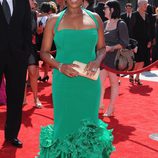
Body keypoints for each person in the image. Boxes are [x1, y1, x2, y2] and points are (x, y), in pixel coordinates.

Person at [37, 0, 114, 157]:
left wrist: (97, 61)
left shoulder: (95, 18)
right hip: (64, 84)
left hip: (89, 84)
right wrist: (60, 65)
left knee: (89, 128)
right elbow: (44, 52)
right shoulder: (53, 20)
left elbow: (101, 48)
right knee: (64, 126)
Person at [0, 0, 32, 147]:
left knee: (16, 97)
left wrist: (25, 51)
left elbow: (27, 26)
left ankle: (12, 134)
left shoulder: (22, 1)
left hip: (17, 57)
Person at [100, 0, 129, 116]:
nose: (103, 10)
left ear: (112, 9)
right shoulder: (104, 23)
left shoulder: (121, 24)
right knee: (99, 83)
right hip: (102, 58)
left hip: (115, 59)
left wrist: (111, 48)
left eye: (105, 8)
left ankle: (111, 108)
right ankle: (100, 105)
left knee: (113, 83)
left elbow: (124, 43)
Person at [130, 0, 152, 85]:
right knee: (137, 60)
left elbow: (148, 29)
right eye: (144, 4)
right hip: (136, 42)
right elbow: (130, 30)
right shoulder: (134, 15)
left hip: (145, 41)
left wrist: (150, 40)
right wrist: (132, 43)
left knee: (142, 61)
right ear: (139, 5)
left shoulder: (147, 15)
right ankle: (131, 74)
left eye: (146, 4)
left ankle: (137, 77)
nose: (146, 6)